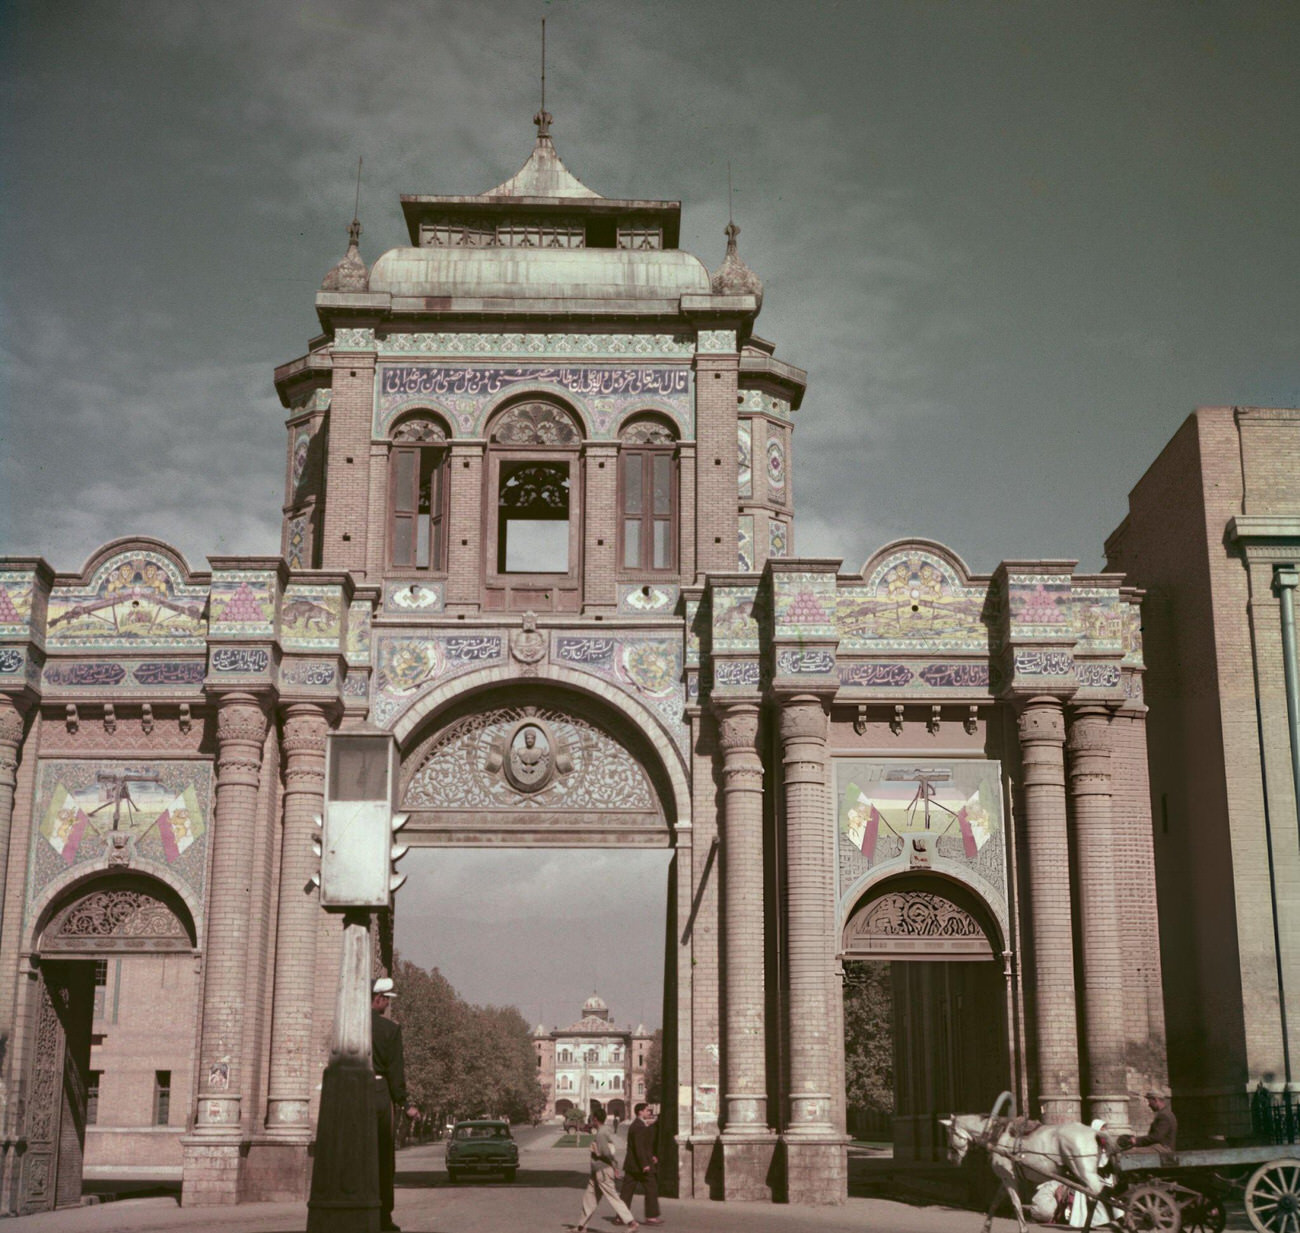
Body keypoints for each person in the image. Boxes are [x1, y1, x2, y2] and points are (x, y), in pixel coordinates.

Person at [373, 977, 419, 1233]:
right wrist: (405, 1103)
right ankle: (382, 1217)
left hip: (351, 1093)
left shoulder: (347, 1026)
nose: (388, 1004)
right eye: (386, 999)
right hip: (379, 1094)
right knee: (382, 1158)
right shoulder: (389, 1030)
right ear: (377, 998)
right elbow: (395, 1072)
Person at [571, 1106, 638, 1231]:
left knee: (613, 1197)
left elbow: (606, 1153)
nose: (591, 1120)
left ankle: (631, 1222)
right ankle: (581, 1226)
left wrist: (597, 1152)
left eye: (592, 1118)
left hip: (602, 1170)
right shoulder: (606, 1130)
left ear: (595, 1119)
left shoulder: (601, 1134)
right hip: (597, 1171)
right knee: (589, 1198)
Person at [617, 1102, 663, 1226]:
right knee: (651, 1188)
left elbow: (644, 1146)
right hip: (640, 1166)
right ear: (640, 1112)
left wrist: (651, 1156)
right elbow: (639, 1147)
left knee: (627, 1191)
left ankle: (620, 1217)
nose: (650, 1112)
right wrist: (645, 1164)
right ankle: (651, 1217)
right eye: (647, 1110)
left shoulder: (639, 1125)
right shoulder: (638, 1127)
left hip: (633, 1165)